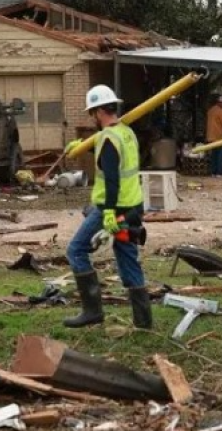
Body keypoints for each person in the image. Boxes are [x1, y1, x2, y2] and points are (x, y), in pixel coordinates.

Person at [61, 85, 150, 329]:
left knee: (76, 250)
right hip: (133, 207)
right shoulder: (126, 132)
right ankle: (143, 323)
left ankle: (92, 311)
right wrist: (82, 144)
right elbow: (111, 153)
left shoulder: (108, 138)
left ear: (99, 112)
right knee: (128, 260)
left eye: (92, 112)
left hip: (111, 208)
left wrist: (109, 212)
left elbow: (111, 177)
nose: (92, 117)